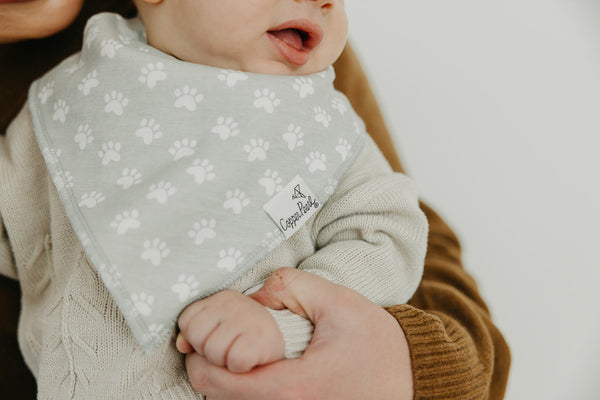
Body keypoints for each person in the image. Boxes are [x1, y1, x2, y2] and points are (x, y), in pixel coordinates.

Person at [0, 1, 511, 399]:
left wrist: (286, 323)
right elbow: (13, 226)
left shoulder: (315, 117)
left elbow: (389, 233)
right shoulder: (74, 100)